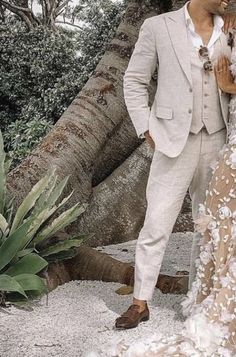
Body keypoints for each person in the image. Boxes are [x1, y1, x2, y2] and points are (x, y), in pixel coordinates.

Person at [115, 0, 234, 330]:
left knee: (208, 225)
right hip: (172, 140)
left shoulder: (231, 27)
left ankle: (201, 299)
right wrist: (146, 128)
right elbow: (134, 81)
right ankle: (140, 302)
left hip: (219, 139)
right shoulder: (157, 27)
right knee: (156, 222)